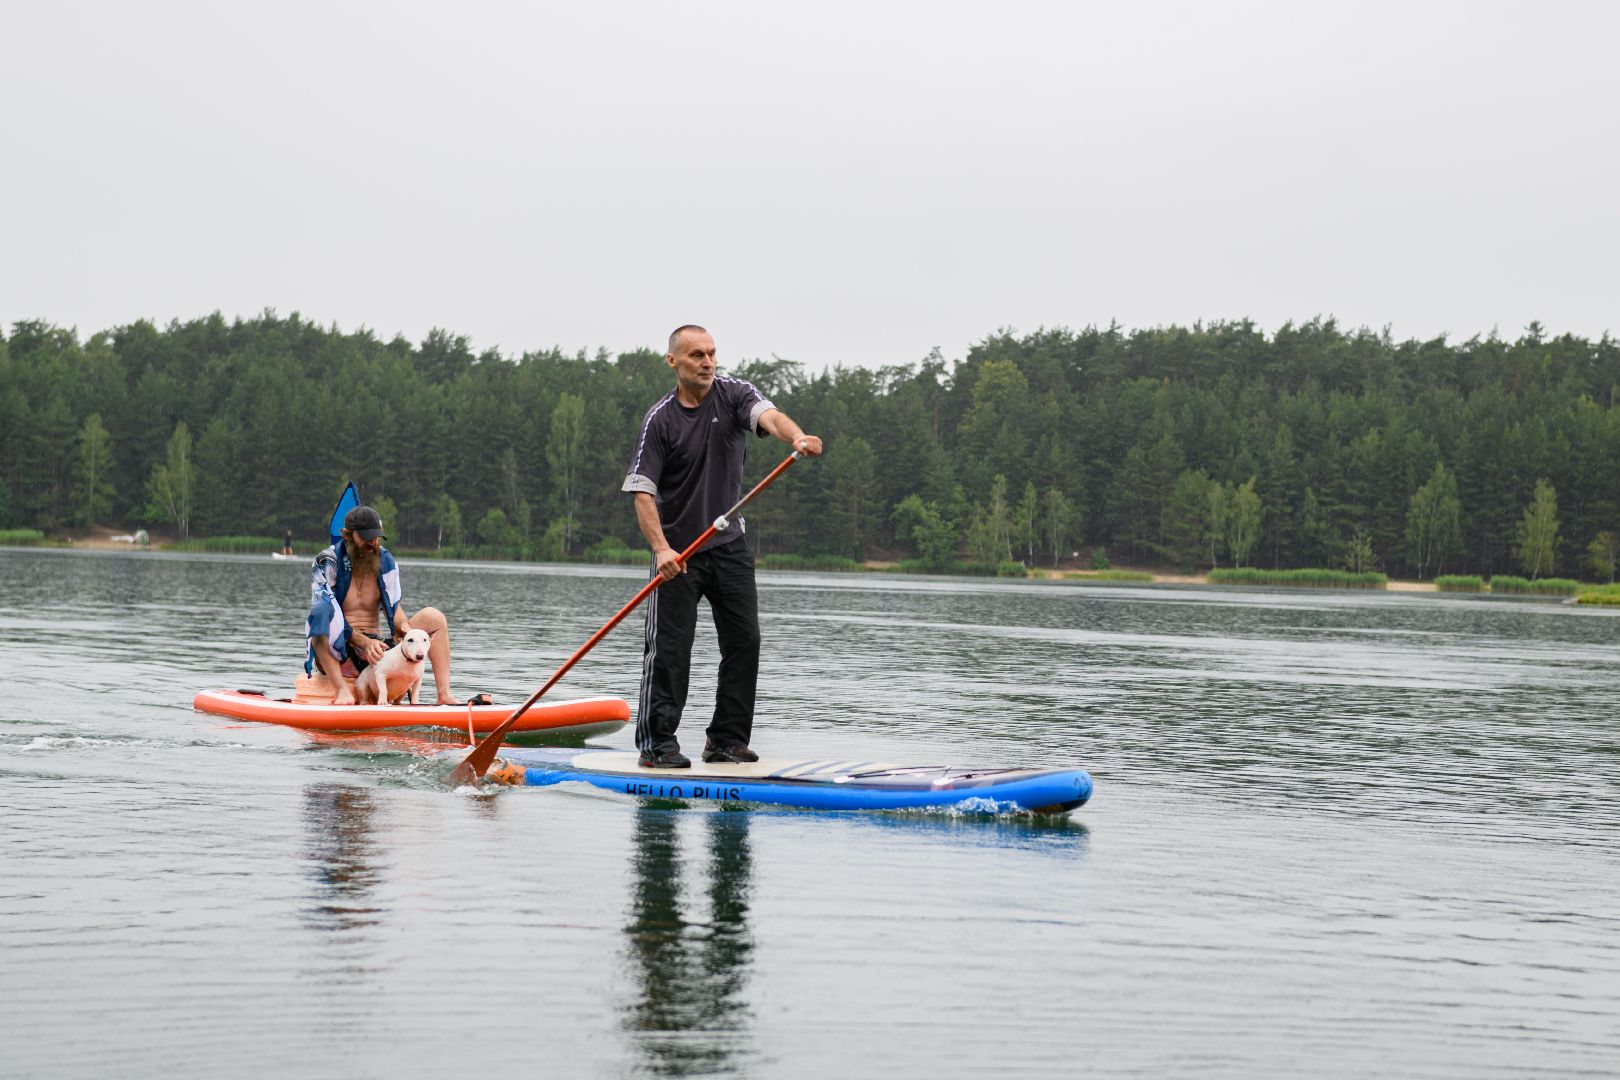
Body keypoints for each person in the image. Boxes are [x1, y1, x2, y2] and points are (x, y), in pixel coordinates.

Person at [622, 324, 823, 768]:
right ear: (673, 362)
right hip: (679, 554)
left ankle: (726, 740)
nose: (707, 362)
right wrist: (661, 550)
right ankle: (657, 744)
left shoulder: (733, 394)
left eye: (712, 353)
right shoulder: (661, 419)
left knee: (744, 640)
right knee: (670, 650)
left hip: (729, 543)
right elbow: (641, 492)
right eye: (696, 355)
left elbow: (769, 416)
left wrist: (796, 437)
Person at [305, 505, 457, 705]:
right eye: (367, 537)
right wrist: (362, 642)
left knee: (434, 617)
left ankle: (444, 696)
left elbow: (395, 611)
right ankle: (342, 691)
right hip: (341, 649)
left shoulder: (385, 560)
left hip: (377, 650)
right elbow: (326, 612)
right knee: (319, 615)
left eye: (376, 537)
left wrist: (408, 631)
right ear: (348, 535)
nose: (373, 542)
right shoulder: (328, 561)